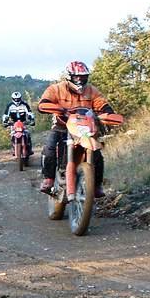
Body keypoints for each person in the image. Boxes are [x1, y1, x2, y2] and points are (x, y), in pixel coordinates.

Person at [37, 61, 115, 197]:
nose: (80, 79)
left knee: (97, 153)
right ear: (69, 76)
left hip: (84, 128)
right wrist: (52, 107)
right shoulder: (56, 89)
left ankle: (96, 185)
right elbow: (44, 103)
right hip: (61, 126)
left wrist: (107, 114)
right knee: (49, 149)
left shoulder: (91, 90)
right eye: (76, 77)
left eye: (83, 77)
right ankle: (48, 179)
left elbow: (102, 104)